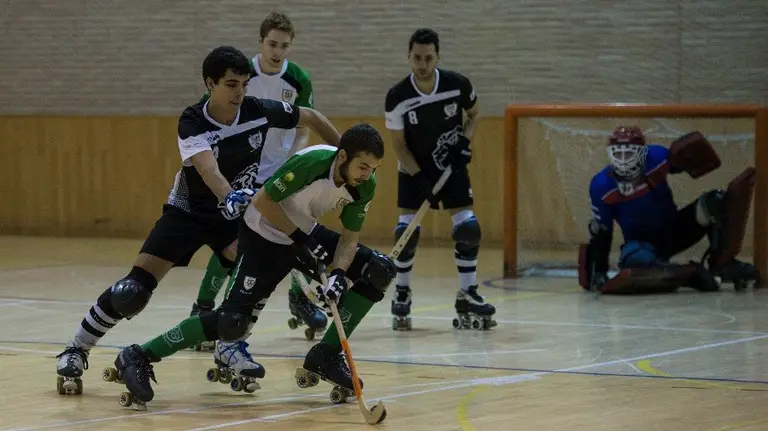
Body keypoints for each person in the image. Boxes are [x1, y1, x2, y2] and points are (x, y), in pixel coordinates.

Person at [54, 45, 341, 395]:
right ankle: (77, 347)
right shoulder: (192, 120)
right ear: (210, 83)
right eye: (231, 84)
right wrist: (229, 195)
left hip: (230, 220)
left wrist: (346, 152)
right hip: (188, 213)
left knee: (260, 274)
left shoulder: (258, 111)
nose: (240, 93)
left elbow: (309, 116)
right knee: (133, 291)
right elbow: (207, 168)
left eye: (244, 85)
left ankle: (230, 344)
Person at [106, 124, 395, 408]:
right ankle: (139, 355)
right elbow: (264, 200)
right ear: (343, 157)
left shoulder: (364, 186)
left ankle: (327, 354)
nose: (367, 175)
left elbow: (349, 241)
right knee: (231, 324)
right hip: (264, 233)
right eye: (363, 166)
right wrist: (299, 240)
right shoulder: (314, 162)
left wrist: (338, 276)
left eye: (373, 168)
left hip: (304, 232)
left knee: (379, 271)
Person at [189, 13, 326, 351]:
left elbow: (303, 125)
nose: (277, 51)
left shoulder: (298, 79)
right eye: (272, 44)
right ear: (261, 41)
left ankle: (299, 298)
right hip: (241, 169)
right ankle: (203, 307)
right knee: (233, 243)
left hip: (280, 170)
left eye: (284, 46)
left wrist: (293, 163)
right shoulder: (239, 75)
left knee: (294, 234)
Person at [384, 28, 495, 331]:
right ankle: (402, 293)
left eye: (428, 57)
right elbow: (398, 145)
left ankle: (468, 293)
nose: (422, 64)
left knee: (468, 228)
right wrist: (419, 178)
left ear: (438, 56)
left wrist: (464, 144)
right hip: (413, 168)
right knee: (406, 234)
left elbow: (474, 114)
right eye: (417, 58)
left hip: (451, 163)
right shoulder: (397, 96)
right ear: (409, 56)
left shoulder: (457, 85)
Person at [581, 125, 760, 294]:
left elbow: (688, 163)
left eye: (629, 153)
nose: (624, 159)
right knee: (637, 260)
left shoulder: (657, 158)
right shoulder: (601, 186)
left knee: (716, 201)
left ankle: (723, 263)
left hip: (676, 231)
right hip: (642, 245)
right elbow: (603, 232)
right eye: (618, 154)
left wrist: (691, 157)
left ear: (642, 152)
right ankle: (688, 274)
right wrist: (599, 271)